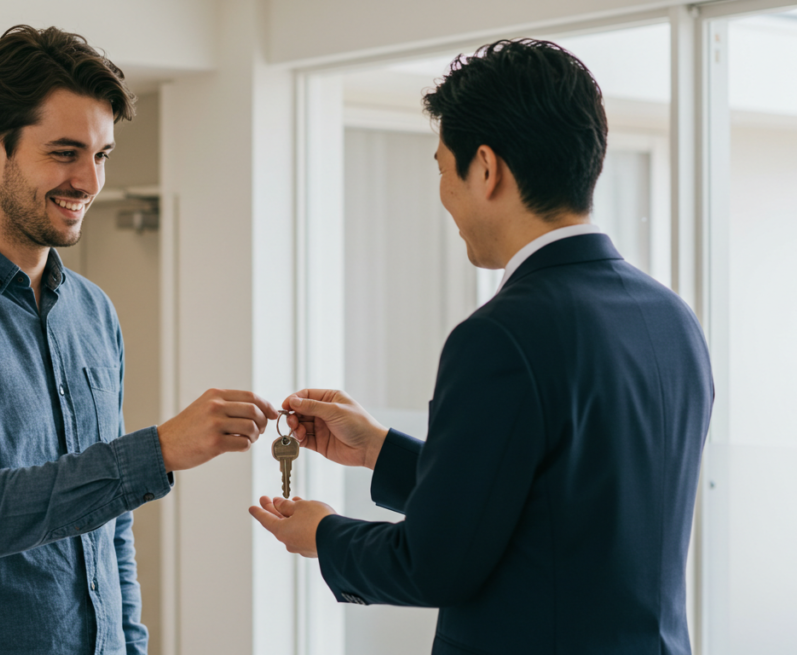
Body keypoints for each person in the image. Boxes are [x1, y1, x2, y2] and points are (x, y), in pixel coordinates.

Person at [250, 39, 713, 655]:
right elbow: (551, 508)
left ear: (486, 169)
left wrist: (324, 534)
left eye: (444, 168)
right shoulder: (672, 319)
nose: (444, 193)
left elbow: (435, 562)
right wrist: (379, 451)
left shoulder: (499, 336)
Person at [0, 25, 278, 655]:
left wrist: (131, 644)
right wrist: (157, 450)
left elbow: (110, 524)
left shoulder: (94, 312)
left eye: (101, 155)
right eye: (64, 152)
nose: (88, 181)